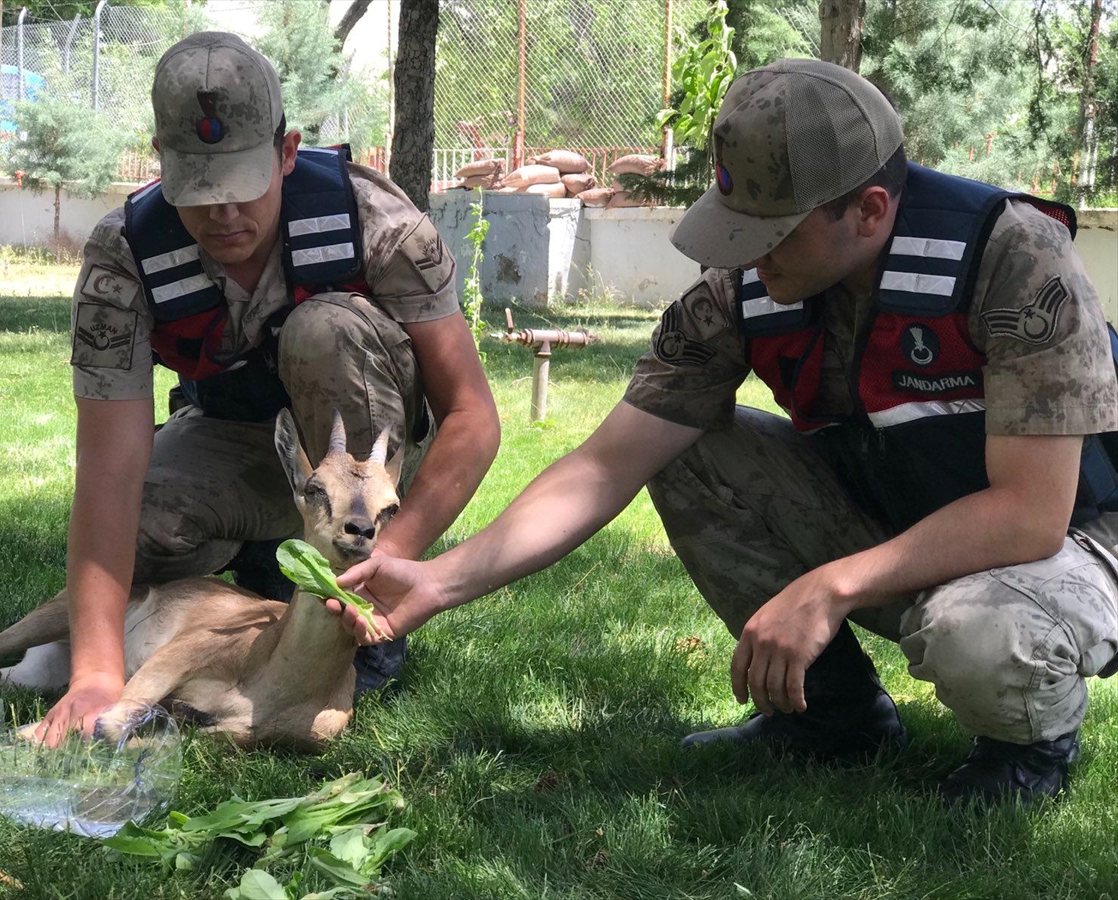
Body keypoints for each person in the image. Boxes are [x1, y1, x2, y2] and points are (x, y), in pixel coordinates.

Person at [330, 59, 1118, 805]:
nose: (746, 253)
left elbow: (1029, 513)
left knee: (978, 635)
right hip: (909, 515)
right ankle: (832, 718)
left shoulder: (1011, 259)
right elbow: (607, 465)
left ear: (869, 210)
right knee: (690, 449)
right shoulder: (748, 286)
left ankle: (1028, 744)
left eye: (772, 229)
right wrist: (442, 578)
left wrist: (829, 585)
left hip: (1074, 538)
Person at [34, 32, 500, 745]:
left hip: (355, 459)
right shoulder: (124, 259)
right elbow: (108, 469)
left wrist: (390, 554)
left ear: (287, 153)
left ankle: (357, 606)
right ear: (160, 159)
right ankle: (259, 565)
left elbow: (471, 414)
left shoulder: (376, 221)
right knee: (145, 525)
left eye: (244, 184)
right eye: (199, 188)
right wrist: (96, 670)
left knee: (324, 329)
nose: (224, 213)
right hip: (231, 436)